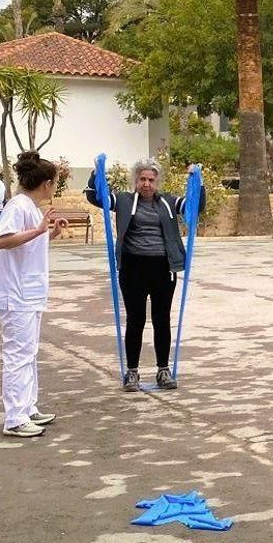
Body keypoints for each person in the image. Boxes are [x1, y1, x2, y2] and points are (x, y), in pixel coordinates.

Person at [84, 159, 201, 391]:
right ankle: (132, 372)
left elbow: (196, 206)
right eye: (142, 179)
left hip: (162, 267)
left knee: (162, 319)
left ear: (157, 182)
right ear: (135, 181)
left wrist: (197, 181)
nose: (146, 184)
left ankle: (163, 370)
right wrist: (95, 175)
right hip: (133, 268)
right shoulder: (125, 201)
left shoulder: (168, 201)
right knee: (135, 320)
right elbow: (96, 197)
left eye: (151, 180)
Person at [0, 151, 65, 438]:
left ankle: (28, 406)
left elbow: (29, 245)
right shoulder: (17, 206)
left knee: (29, 352)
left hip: (29, 292)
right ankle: (14, 417)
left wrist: (48, 233)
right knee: (17, 354)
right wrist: (39, 229)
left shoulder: (30, 207)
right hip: (15, 294)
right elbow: (2, 241)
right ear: (46, 183)